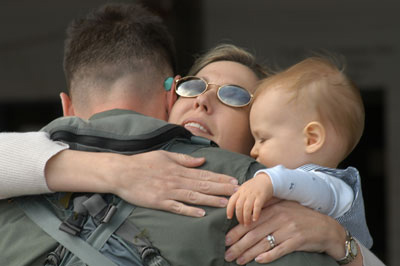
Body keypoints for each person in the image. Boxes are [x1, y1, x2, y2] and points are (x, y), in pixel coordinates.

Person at [0, 3, 384, 266]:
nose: (203, 101)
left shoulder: (269, 201)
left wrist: (341, 243)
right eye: (194, 86)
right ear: (168, 100)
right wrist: (119, 172)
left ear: (257, 136)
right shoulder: (49, 157)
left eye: (234, 96)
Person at [226, 56, 371, 261]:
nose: (253, 151)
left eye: (263, 138)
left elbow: (306, 185)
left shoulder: (333, 188)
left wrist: (267, 180)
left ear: (311, 139)